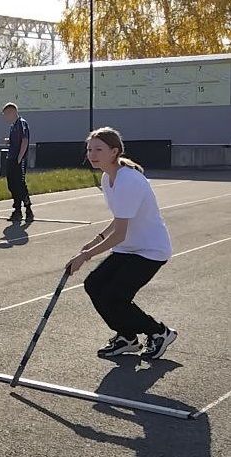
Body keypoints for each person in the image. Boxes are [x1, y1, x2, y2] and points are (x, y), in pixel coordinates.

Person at [65, 127, 177, 360]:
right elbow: (119, 220)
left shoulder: (128, 180)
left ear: (114, 151)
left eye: (99, 149)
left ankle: (159, 332)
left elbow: (120, 234)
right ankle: (127, 336)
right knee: (94, 285)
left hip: (150, 250)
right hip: (128, 248)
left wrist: (85, 256)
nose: (92, 154)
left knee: (116, 295)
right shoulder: (108, 177)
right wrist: (95, 241)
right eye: (89, 149)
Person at [2, 103, 34, 222]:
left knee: (20, 184)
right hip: (11, 158)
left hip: (18, 159)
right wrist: (9, 141)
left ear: (12, 112)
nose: (5, 117)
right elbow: (15, 140)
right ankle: (17, 210)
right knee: (12, 185)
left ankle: (28, 209)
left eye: (6, 114)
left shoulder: (21, 123)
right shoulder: (13, 126)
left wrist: (20, 158)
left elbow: (24, 140)